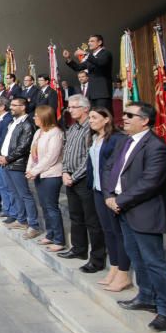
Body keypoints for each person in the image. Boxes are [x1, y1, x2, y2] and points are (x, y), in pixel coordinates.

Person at [106, 102, 166, 332]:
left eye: (129, 115)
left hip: (144, 211)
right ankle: (146, 296)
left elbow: (150, 182)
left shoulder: (156, 147)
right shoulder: (125, 141)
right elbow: (111, 169)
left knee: (154, 261)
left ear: (145, 120)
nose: (124, 118)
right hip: (122, 208)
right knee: (136, 256)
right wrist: (110, 195)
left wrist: (120, 200)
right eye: (124, 114)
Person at [86, 106, 132, 292]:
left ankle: (123, 271)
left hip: (111, 192)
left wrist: (112, 192)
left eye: (94, 117)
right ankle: (113, 267)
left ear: (106, 119)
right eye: (89, 117)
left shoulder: (117, 139)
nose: (91, 120)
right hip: (97, 189)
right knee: (107, 231)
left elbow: (117, 167)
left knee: (117, 231)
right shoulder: (95, 138)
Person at [60, 94, 106, 272]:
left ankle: (97, 258)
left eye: (73, 107)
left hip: (83, 179)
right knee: (75, 216)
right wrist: (65, 171)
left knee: (92, 220)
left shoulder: (91, 128)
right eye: (69, 107)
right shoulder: (72, 128)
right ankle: (78, 249)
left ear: (85, 109)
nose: (70, 110)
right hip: (69, 177)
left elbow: (89, 157)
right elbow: (67, 151)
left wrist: (74, 176)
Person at [0, 97, 39, 239]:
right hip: (7, 162)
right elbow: (7, 141)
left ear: (23, 107)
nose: (11, 107)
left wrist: (8, 158)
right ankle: (21, 220)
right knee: (14, 192)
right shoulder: (13, 122)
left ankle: (33, 224)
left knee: (25, 194)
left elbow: (23, 146)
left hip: (17, 164)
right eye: (11, 105)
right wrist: (1, 155)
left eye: (15, 105)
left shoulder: (27, 124)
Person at [26, 104, 64, 250]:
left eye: (37, 115)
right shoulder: (39, 132)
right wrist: (29, 169)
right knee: (44, 205)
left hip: (51, 174)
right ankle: (50, 234)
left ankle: (59, 239)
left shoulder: (55, 133)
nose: (34, 118)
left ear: (44, 117)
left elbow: (51, 157)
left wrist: (35, 170)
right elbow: (32, 153)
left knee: (51, 207)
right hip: (39, 173)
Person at [63, 34, 114, 110]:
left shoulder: (105, 53)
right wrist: (68, 58)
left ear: (99, 42)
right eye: (89, 41)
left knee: (103, 116)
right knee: (93, 117)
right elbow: (78, 67)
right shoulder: (91, 57)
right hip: (92, 94)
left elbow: (100, 62)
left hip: (102, 93)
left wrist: (85, 53)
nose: (89, 43)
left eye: (92, 41)